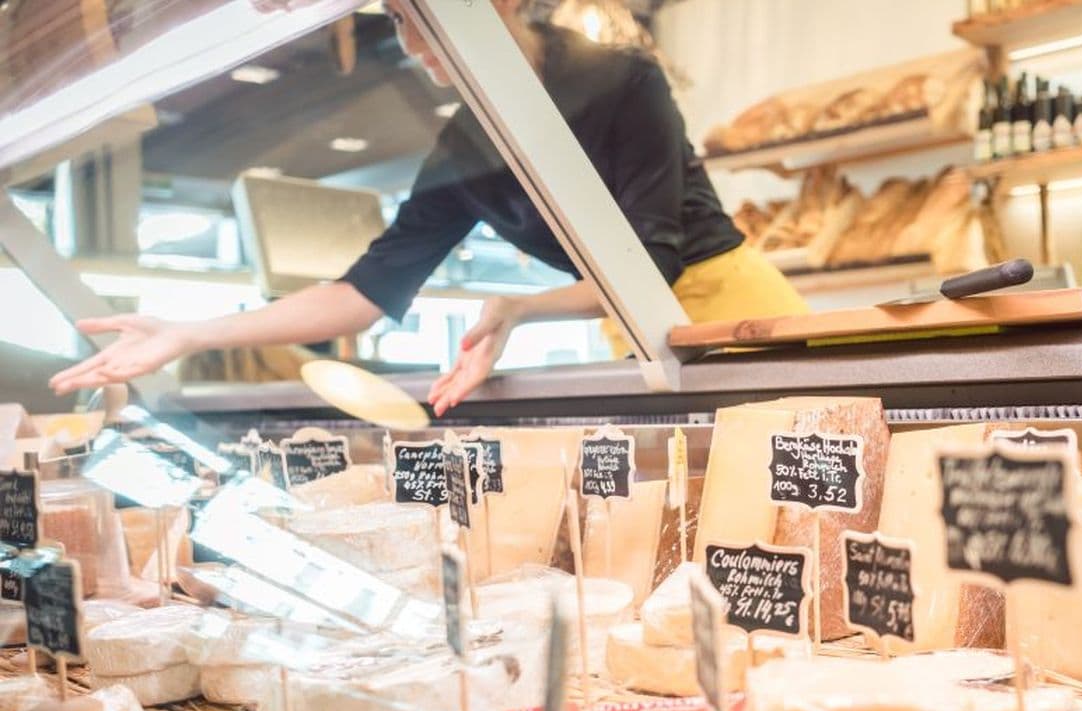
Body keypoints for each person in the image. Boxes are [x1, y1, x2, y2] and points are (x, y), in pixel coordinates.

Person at [50, 0, 807, 413]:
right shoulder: (462, 148)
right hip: (634, 331)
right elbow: (364, 291)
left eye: (418, 16)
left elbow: (655, 264)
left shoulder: (620, 82)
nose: (411, 43)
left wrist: (520, 308)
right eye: (400, 20)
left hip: (733, 307)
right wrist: (186, 333)